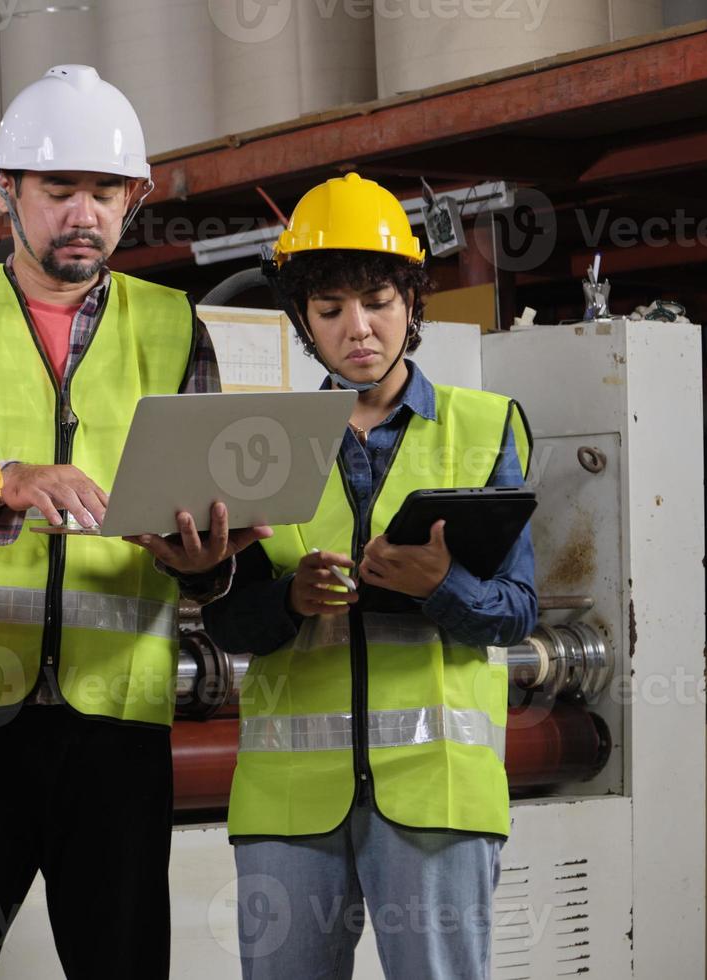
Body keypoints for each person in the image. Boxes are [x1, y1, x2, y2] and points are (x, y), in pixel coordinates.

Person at [0, 65, 267, 979]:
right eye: (59, 189)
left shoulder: (174, 327)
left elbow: (204, 515)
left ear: (136, 199)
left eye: (105, 191)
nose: (84, 212)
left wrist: (205, 561)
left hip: (117, 728)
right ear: (9, 192)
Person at [201, 172, 538, 979]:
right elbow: (227, 622)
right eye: (331, 310)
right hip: (290, 806)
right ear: (302, 322)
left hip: (437, 798)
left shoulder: (484, 425)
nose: (359, 328)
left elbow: (517, 612)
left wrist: (438, 587)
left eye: (380, 300)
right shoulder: (262, 439)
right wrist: (288, 597)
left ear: (414, 303)